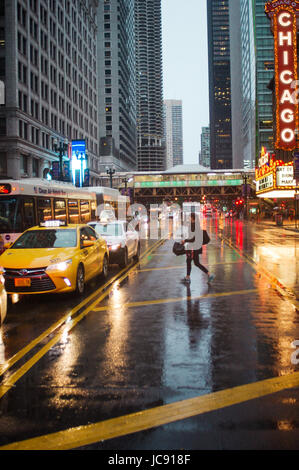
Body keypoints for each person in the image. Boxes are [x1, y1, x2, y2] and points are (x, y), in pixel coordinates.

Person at [181, 212, 215, 284]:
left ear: (192, 218)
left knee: (189, 261)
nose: (188, 218)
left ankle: (188, 277)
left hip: (192, 248)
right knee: (196, 263)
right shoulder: (197, 225)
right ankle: (209, 274)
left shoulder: (192, 226)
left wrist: (185, 240)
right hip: (196, 247)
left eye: (189, 217)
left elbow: (193, 238)